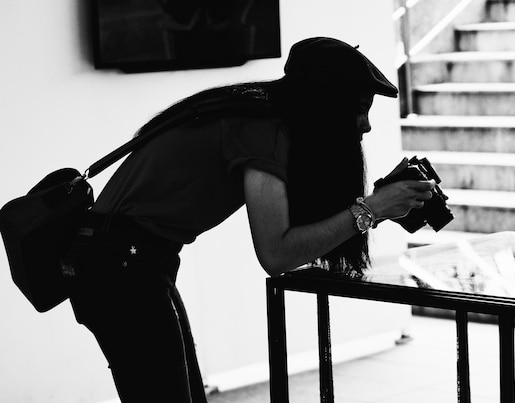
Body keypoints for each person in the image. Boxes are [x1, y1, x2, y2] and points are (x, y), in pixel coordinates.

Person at [62, 37, 435, 402]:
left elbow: (306, 231)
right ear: (328, 102)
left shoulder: (262, 114)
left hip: (132, 262)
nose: (366, 125)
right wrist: (371, 209)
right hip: (118, 270)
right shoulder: (262, 129)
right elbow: (277, 253)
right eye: (359, 108)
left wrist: (380, 209)